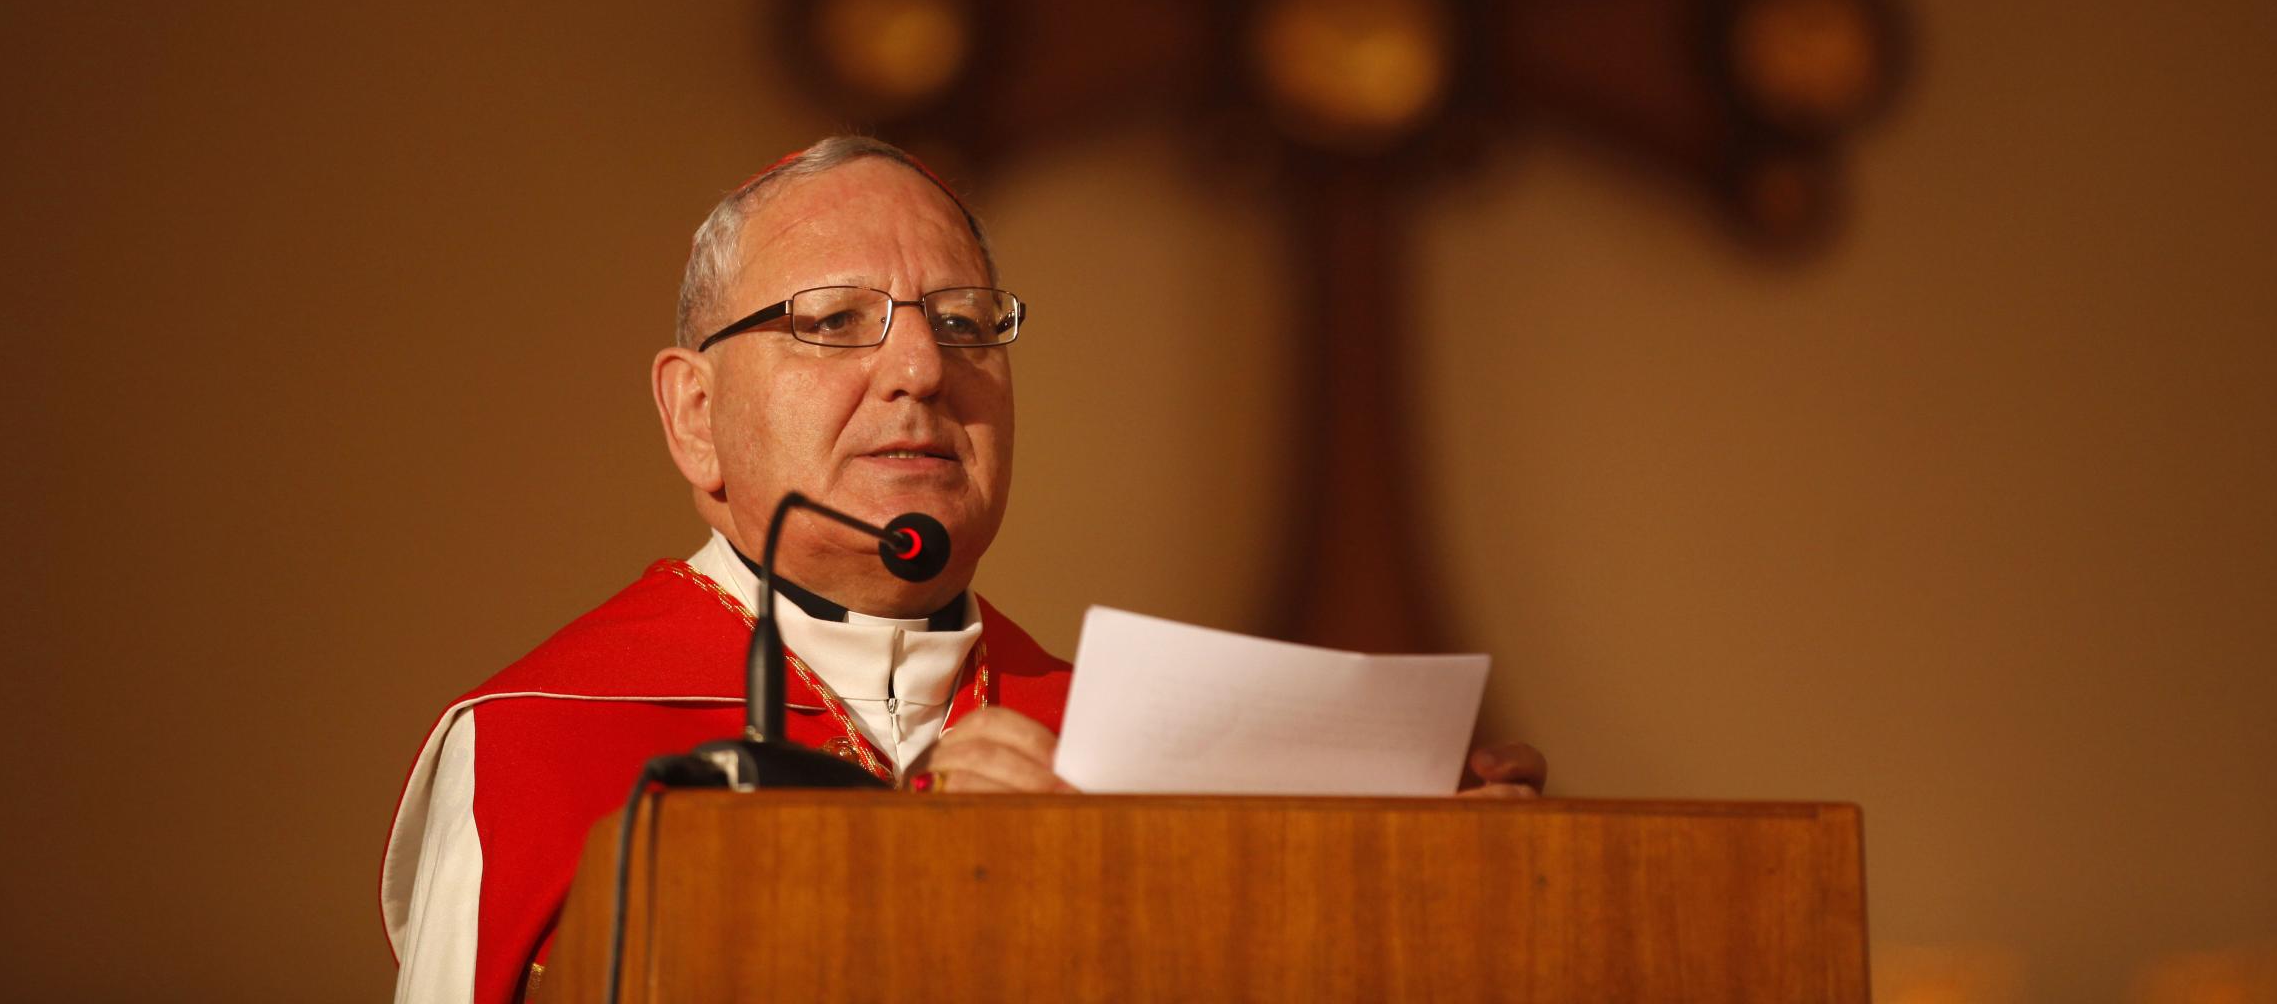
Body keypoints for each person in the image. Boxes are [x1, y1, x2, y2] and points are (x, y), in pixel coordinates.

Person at [380, 136, 1546, 1003]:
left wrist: (1454, 902)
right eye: (835, 321)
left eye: (967, 321)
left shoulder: (1130, 749)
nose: (922, 369)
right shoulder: (536, 743)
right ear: (695, 415)